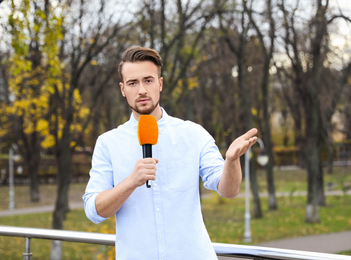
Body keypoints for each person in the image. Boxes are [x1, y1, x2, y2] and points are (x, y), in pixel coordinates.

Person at [83, 46, 258, 260]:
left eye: (148, 80)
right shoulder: (108, 143)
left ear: (160, 83)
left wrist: (231, 161)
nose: (141, 90)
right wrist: (131, 182)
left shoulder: (192, 134)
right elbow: (94, 211)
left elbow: (229, 190)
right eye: (132, 83)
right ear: (122, 89)